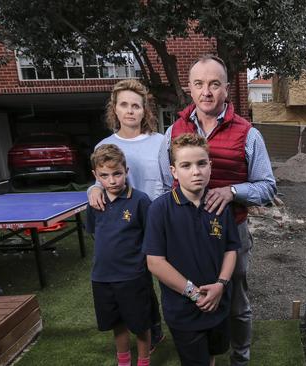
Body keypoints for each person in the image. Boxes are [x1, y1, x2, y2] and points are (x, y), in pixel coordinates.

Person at [157, 54, 277, 366]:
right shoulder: (173, 132)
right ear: (189, 89)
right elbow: (162, 183)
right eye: (199, 84)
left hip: (230, 234)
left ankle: (240, 358)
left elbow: (268, 187)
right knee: (190, 294)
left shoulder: (248, 134)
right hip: (183, 234)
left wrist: (233, 191)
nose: (206, 92)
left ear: (226, 88)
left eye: (214, 84)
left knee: (235, 302)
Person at [145, 133, 240, 366]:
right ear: (174, 171)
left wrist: (221, 284)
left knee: (212, 356)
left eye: (201, 163)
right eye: (186, 165)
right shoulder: (160, 209)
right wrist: (194, 293)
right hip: (184, 311)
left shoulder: (220, 205)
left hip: (219, 304)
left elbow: (231, 248)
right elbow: (155, 262)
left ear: (211, 165)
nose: (196, 171)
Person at [88, 79, 164, 347]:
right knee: (135, 281)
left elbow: (168, 183)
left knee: (155, 279)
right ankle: (151, 329)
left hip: (154, 220)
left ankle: (159, 326)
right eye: (124, 105)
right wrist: (92, 190)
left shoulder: (160, 143)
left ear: (145, 111)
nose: (130, 110)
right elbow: (101, 179)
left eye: (136, 105)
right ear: (115, 109)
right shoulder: (104, 145)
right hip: (124, 225)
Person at [85, 144, 153, 366]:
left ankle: (143, 361)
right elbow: (96, 234)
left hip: (133, 277)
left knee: (141, 324)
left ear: (126, 171)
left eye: (117, 174)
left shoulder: (141, 200)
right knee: (117, 323)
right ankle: (123, 361)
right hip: (102, 277)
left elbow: (151, 237)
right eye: (104, 175)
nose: (112, 180)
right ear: (96, 176)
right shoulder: (95, 203)